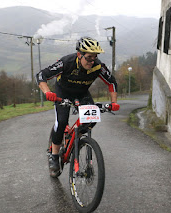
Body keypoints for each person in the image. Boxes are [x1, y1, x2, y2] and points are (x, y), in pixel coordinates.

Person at [36, 37, 120, 175]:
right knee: (61, 121)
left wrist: (114, 102)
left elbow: (112, 82)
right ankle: (54, 155)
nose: (92, 61)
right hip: (62, 92)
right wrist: (47, 92)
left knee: (92, 117)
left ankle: (75, 136)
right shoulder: (67, 62)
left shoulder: (98, 66)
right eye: (88, 58)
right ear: (79, 55)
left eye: (95, 57)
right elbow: (41, 75)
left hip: (82, 93)